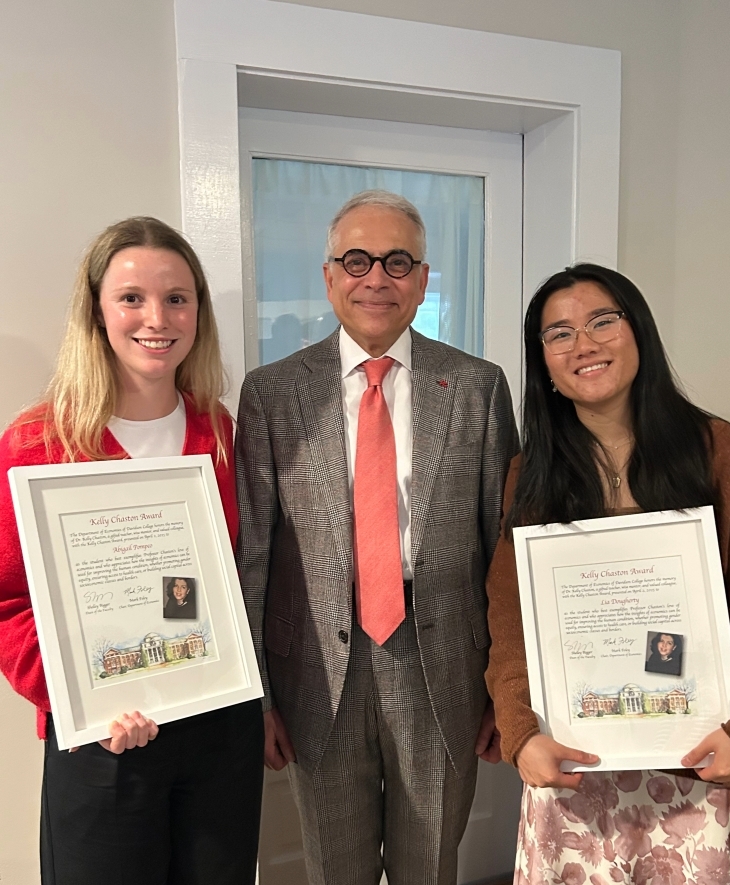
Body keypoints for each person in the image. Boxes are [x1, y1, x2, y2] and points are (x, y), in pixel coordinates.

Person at [235, 190, 519, 885]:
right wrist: (260, 696)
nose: (377, 278)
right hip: (314, 673)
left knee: (430, 864)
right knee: (335, 867)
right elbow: (254, 555)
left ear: (423, 281)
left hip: (444, 669)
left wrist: (504, 690)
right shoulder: (272, 393)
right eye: (356, 260)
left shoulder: (477, 389)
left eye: (398, 262)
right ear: (329, 276)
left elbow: (504, 553)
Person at [0, 217, 264, 884]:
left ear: (198, 311)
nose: (157, 317)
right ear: (97, 309)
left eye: (177, 297)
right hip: (102, 742)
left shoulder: (219, 431)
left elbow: (208, 580)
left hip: (217, 729)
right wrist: (84, 699)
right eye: (132, 298)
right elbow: (8, 603)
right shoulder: (37, 442)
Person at [485, 263, 730, 881]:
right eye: (559, 334)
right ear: (543, 363)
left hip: (693, 761)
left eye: (603, 321)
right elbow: (509, 619)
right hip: (569, 762)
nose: (585, 344)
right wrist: (520, 731)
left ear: (639, 333)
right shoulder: (531, 474)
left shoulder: (719, 450)